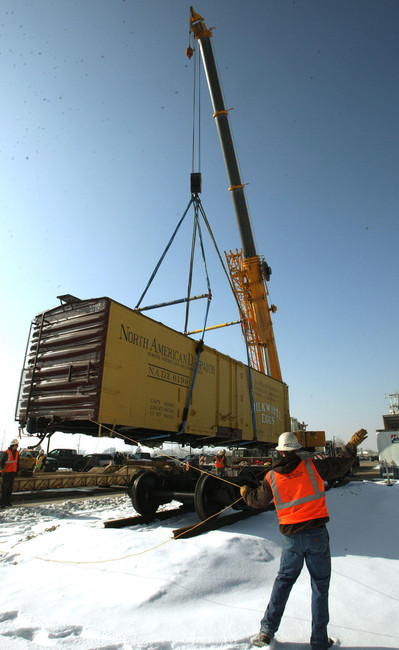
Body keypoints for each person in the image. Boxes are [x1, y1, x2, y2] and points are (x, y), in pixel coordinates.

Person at [240, 428, 368, 650]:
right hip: (316, 536)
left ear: (280, 453)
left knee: (283, 582)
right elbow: (340, 464)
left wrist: (244, 493)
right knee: (320, 587)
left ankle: (266, 632)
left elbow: (257, 501)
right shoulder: (312, 467)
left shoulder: (271, 477)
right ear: (297, 450)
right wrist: (352, 444)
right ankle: (319, 641)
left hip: (291, 539)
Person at [1, 438, 20, 508]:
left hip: (13, 472)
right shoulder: (6, 452)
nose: (17, 447)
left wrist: (17, 471)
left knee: (10, 488)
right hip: (7, 473)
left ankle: (7, 501)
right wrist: (2, 470)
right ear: (13, 445)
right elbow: (2, 462)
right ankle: (3, 502)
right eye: (16, 445)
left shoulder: (17, 453)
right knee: (5, 488)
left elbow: (17, 463)